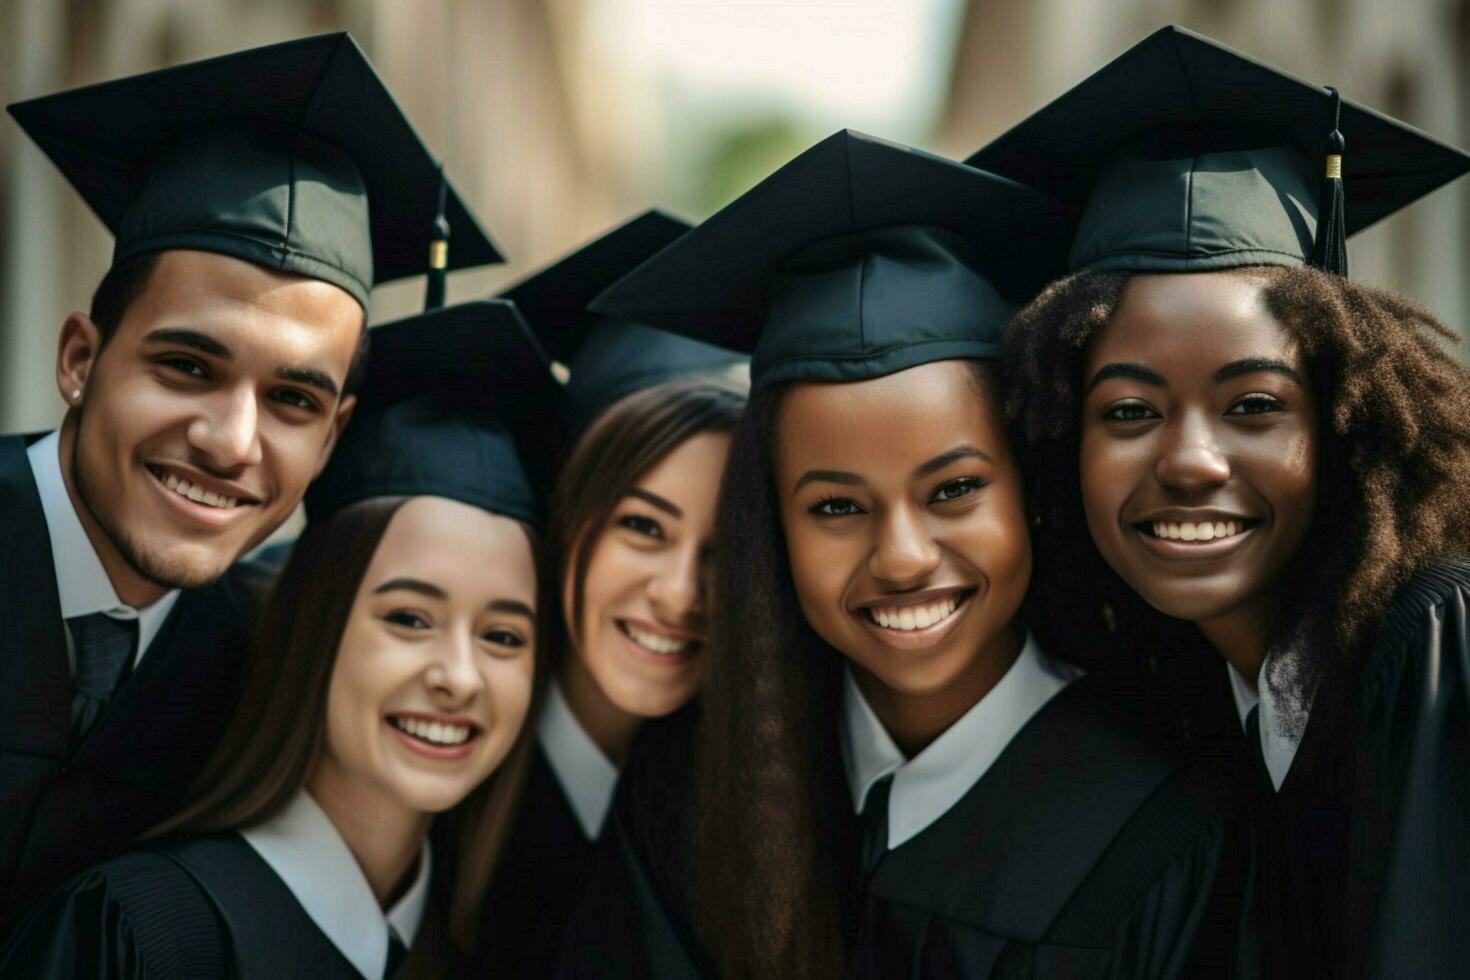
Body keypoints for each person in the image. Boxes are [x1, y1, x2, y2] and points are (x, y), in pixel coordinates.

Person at [558, 130, 1250, 978]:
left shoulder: (1164, 825)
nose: (903, 557)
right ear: (772, 527)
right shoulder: (693, 794)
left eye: (954, 490)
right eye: (837, 507)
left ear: (1033, 491)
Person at [977, 25, 1470, 977]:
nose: (1192, 461)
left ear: (1341, 423)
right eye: (1128, 411)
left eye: (1253, 406)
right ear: (1059, 443)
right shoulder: (1201, 694)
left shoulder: (1428, 641)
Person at [0, 33, 499, 934]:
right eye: (188, 366)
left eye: (293, 400)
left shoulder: (265, 665)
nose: (232, 442)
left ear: (336, 431)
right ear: (80, 358)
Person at [0, 300, 554, 979]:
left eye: (503, 635)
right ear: (313, 627)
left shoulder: (500, 950)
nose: (459, 677)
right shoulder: (144, 934)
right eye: (408, 618)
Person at [462, 211, 747, 976]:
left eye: (724, 552)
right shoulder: (436, 768)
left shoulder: (761, 808)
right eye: (643, 527)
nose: (681, 594)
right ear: (568, 510)